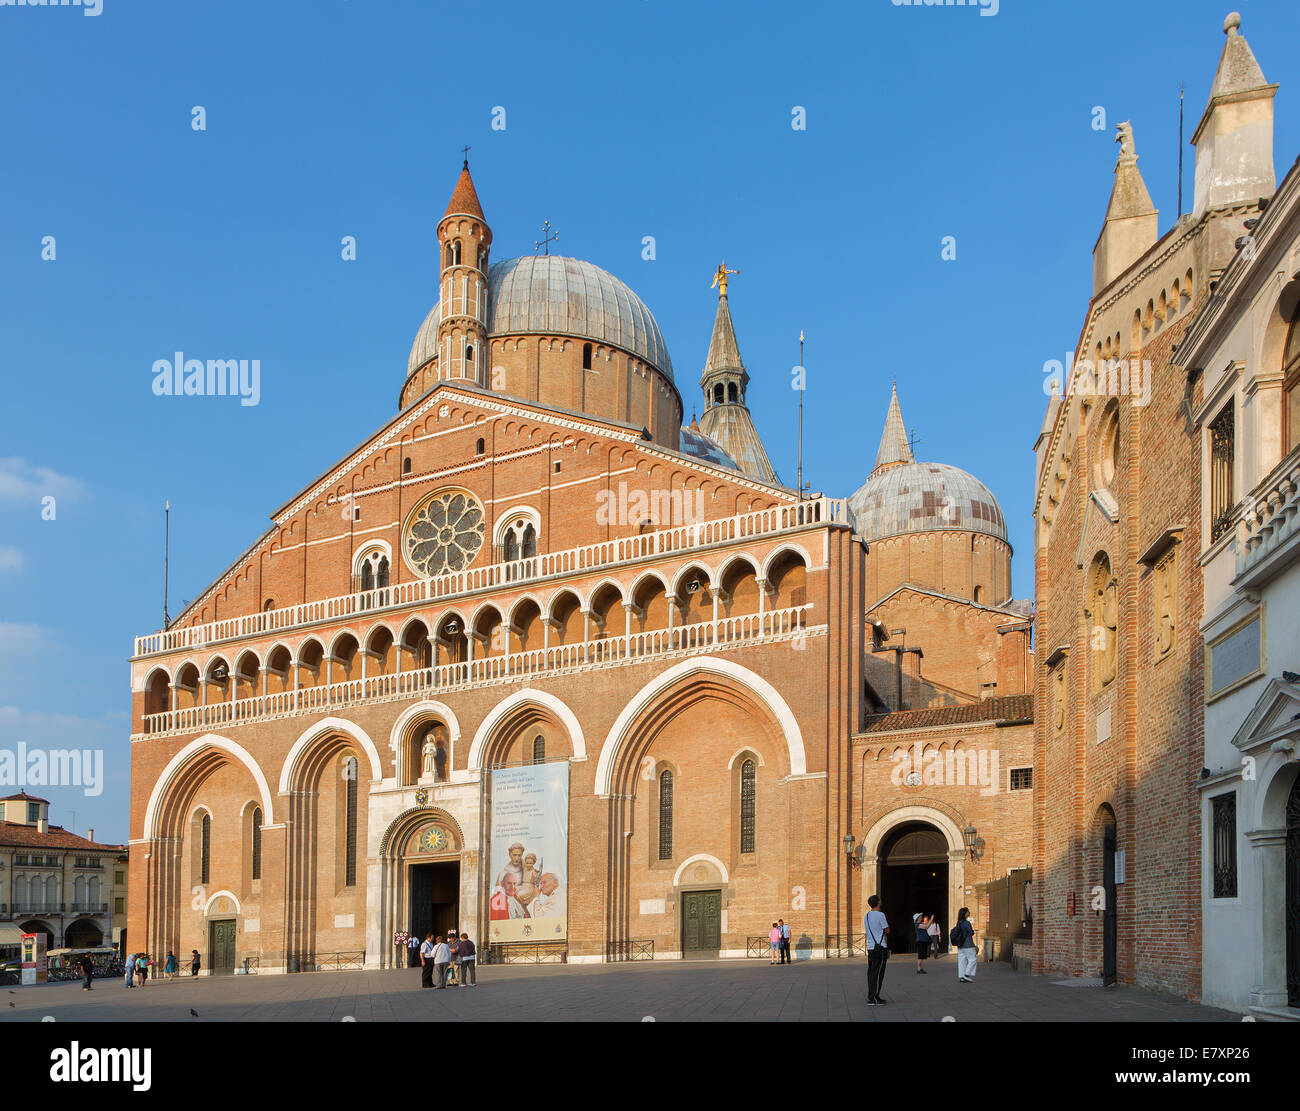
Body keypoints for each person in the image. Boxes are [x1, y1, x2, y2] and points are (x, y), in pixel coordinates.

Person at [864, 894, 890, 1005]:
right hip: (880, 948)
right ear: (878, 902)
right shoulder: (880, 915)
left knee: (871, 972)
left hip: (870, 947)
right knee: (878, 973)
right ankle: (873, 997)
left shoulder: (867, 915)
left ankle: (871, 996)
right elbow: (887, 930)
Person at [954, 906, 978, 983]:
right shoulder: (967, 923)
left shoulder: (958, 923)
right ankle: (967, 974)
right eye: (968, 911)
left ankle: (961, 976)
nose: (969, 912)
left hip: (960, 945)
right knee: (973, 959)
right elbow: (971, 932)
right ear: (965, 913)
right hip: (968, 944)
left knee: (961, 961)